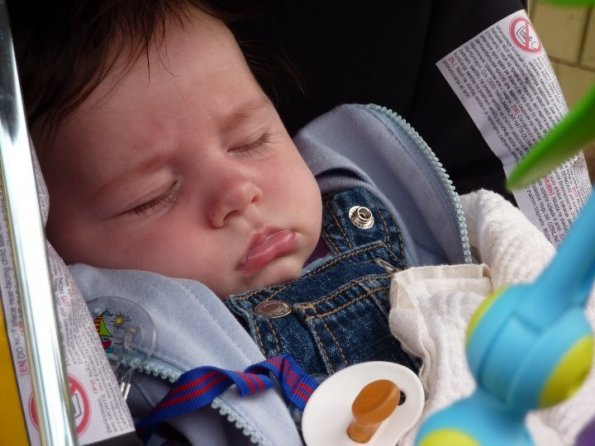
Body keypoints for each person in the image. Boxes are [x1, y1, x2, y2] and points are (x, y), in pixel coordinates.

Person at [9, 1, 472, 444]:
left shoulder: (386, 203)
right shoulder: (121, 377)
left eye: (250, 141)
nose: (237, 192)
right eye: (153, 197)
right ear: (54, 250)